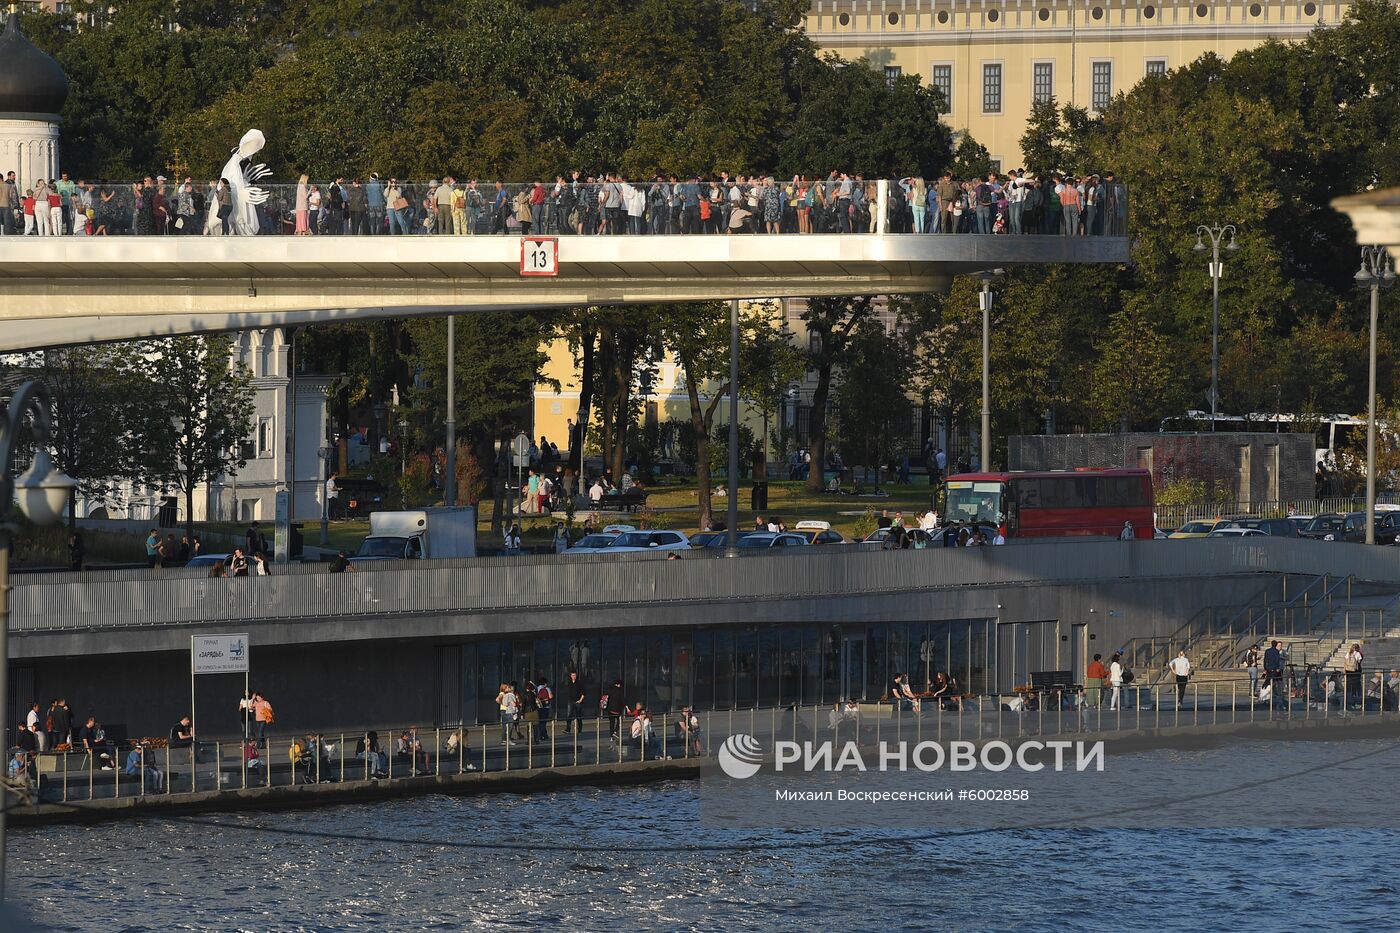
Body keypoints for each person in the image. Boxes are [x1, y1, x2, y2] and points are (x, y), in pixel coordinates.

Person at [1263, 640, 1285, 710]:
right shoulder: (1276, 652)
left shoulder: (1267, 651)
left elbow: (1265, 660)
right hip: (1274, 669)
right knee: (1273, 682)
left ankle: (1269, 694)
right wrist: (1278, 667)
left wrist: (1265, 668)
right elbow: (1277, 660)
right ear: (1276, 645)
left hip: (1268, 669)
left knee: (1268, 681)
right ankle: (1273, 694)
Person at [496, 682, 519, 746]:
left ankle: (504, 740)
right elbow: (497, 699)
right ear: (504, 688)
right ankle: (507, 739)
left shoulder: (506, 694)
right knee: (509, 725)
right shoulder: (502, 693)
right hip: (506, 710)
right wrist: (504, 703)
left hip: (503, 710)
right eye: (507, 687)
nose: (508, 688)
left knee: (505, 726)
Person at [564, 671, 586, 736]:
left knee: (578, 715)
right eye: (573, 675)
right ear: (571, 676)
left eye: (575, 675)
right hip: (570, 701)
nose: (574, 677)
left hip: (577, 701)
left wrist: (580, 700)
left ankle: (580, 729)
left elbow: (584, 693)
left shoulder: (579, 683)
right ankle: (568, 729)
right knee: (569, 715)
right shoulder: (569, 683)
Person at [1344, 643, 1364, 709]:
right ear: (1358, 648)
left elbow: (1345, 662)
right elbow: (1359, 661)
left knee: (1349, 687)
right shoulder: (1358, 654)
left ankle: (1348, 702)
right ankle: (1357, 703)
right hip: (1355, 672)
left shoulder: (1348, 653)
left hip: (1348, 672)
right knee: (1356, 687)